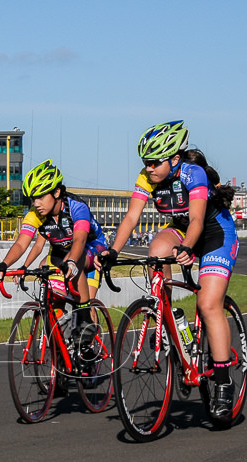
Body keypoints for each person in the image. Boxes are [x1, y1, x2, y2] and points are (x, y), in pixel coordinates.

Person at [96, 120, 239, 419]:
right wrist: (112, 251)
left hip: (214, 232)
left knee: (208, 303)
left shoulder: (193, 173)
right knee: (156, 251)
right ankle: (167, 316)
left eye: (153, 162)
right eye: (144, 163)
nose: (148, 168)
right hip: (180, 229)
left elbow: (198, 221)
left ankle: (224, 381)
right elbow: (131, 218)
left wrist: (187, 248)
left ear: (174, 159)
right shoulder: (146, 178)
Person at [0, 159, 109, 363]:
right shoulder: (36, 214)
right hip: (61, 253)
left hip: (90, 249)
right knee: (52, 292)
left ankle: (86, 327)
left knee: (83, 289)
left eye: (40, 197)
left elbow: (80, 240)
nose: (35, 203)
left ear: (56, 193)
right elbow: (22, 243)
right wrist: (4, 265)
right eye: (32, 198)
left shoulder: (77, 207)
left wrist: (72, 261)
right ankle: (61, 352)